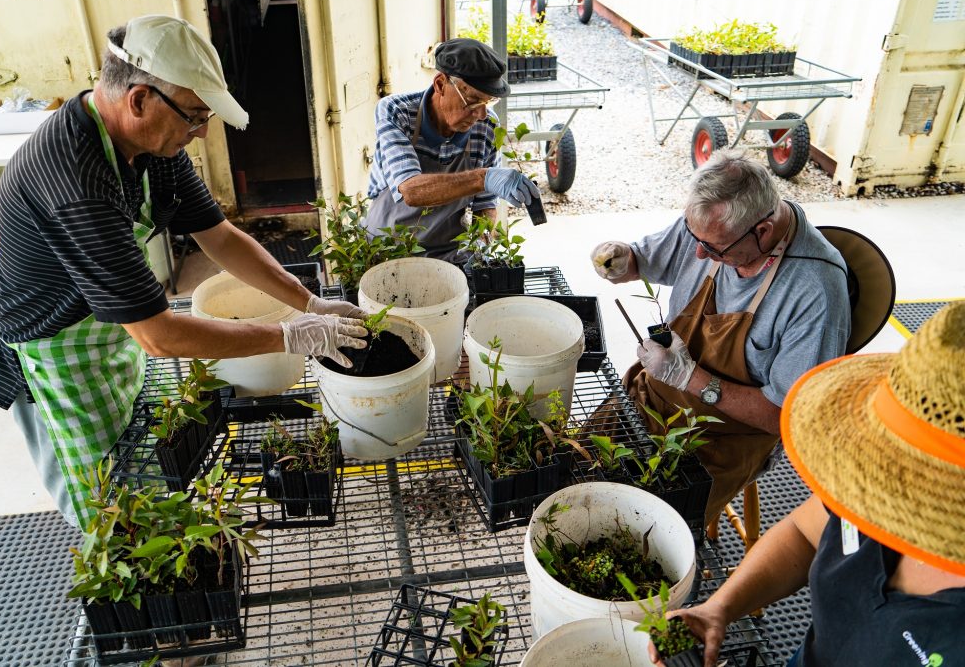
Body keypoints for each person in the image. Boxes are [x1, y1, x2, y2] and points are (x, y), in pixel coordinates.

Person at [0, 15, 367, 528]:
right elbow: (157, 335)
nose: (202, 133)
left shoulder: (150, 147)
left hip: (108, 329)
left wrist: (307, 302)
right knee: (106, 508)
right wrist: (288, 338)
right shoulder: (75, 179)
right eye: (196, 116)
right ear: (139, 100)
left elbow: (219, 236)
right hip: (53, 352)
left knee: (142, 464)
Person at [650, 302, 965, 667]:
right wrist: (718, 609)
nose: (884, 481)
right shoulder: (876, 486)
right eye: (891, 459)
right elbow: (805, 533)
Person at [591, 150, 851, 524]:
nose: (698, 253)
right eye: (692, 235)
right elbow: (642, 260)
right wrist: (619, 258)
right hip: (652, 395)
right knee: (573, 472)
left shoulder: (815, 292)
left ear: (763, 231)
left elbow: (788, 420)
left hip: (722, 440)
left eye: (713, 249)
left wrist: (690, 378)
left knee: (637, 529)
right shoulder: (713, 227)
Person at [364, 37, 540, 263]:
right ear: (440, 84)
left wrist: (480, 242)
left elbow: (484, 204)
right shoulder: (396, 112)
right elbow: (410, 190)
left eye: (488, 102)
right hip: (387, 250)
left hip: (447, 253)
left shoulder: (486, 126)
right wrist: (483, 177)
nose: (481, 115)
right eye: (474, 100)